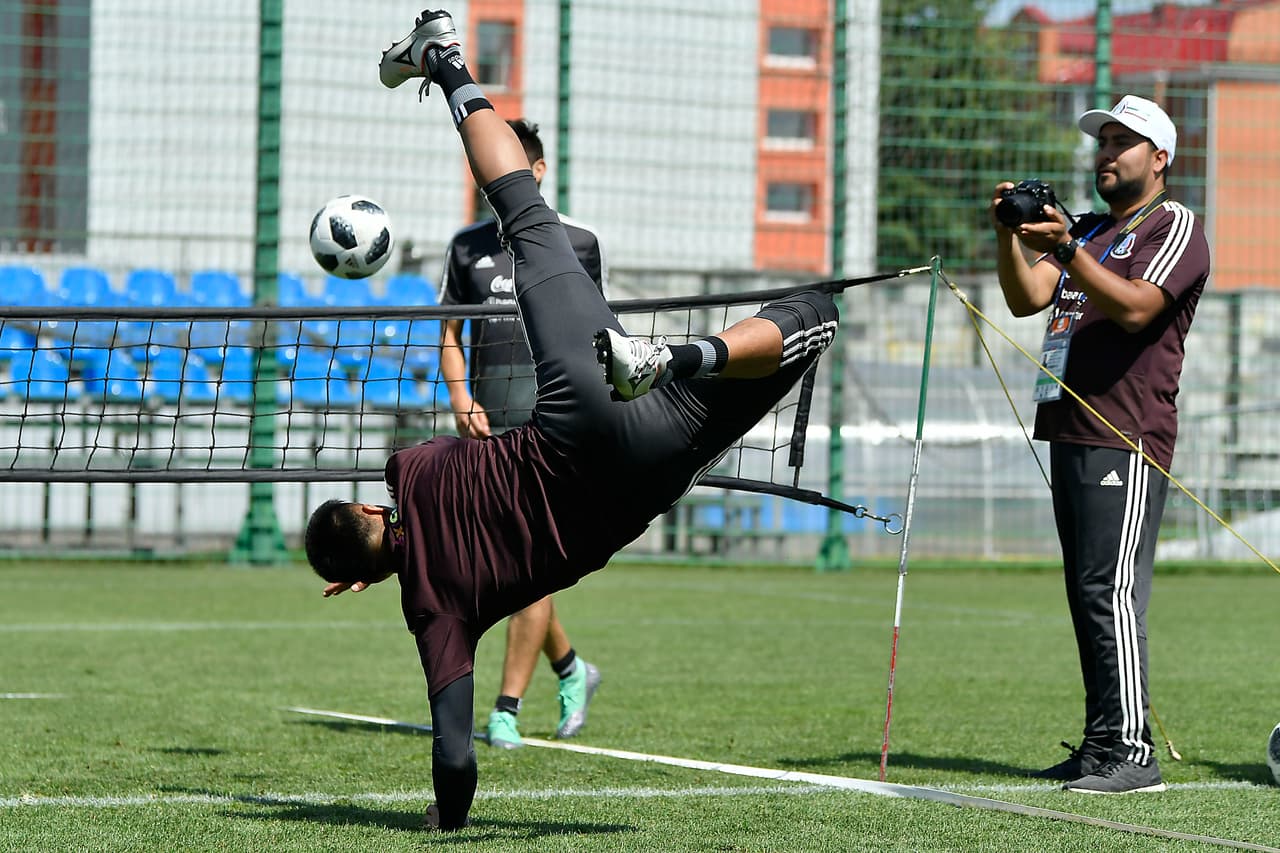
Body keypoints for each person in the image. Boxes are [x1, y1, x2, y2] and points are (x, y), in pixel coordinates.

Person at [308, 9, 840, 831]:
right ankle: (444, 61)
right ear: (373, 508)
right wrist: (379, 532)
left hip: (650, 465)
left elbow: (454, 756)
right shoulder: (407, 470)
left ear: (360, 580)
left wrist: (447, 820)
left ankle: (693, 363)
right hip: (581, 398)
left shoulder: (434, 616)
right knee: (521, 210)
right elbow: (398, 495)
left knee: (816, 313)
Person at [991, 94, 1210, 795]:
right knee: (1088, 590)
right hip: (1072, 426)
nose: (1107, 152)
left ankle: (1134, 752)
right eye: (1102, 140)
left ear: (1161, 158)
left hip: (1126, 433)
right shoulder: (1090, 229)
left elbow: (1139, 305)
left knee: (1111, 590)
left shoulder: (1172, 225)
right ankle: (1099, 744)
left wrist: (1064, 249)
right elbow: (1027, 299)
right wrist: (1010, 234)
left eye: (1124, 141)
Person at [438, 117, 607, 751]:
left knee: (527, 567)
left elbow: (598, 338)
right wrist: (461, 399)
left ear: (535, 174)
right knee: (517, 564)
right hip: (488, 430)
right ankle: (571, 670)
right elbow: (449, 338)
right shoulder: (465, 250)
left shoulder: (579, 246)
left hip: (556, 430)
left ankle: (505, 709)